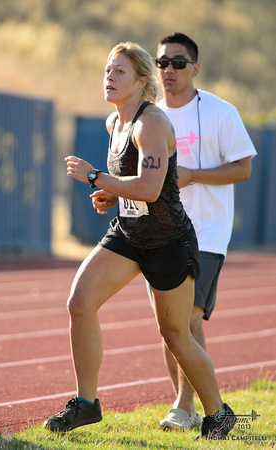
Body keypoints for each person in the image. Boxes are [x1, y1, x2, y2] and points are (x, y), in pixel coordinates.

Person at [43, 41, 236, 440]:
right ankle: (86, 403)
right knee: (79, 303)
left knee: (177, 336)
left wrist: (96, 177)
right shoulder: (114, 124)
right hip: (129, 235)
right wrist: (112, 194)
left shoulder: (152, 123)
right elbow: (134, 188)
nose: (109, 78)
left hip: (168, 241)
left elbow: (150, 189)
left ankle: (218, 414)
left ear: (141, 82)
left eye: (119, 72)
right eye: (107, 70)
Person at [150, 32, 257, 431]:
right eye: (162, 62)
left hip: (207, 234)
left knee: (187, 321)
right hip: (158, 234)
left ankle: (185, 405)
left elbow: (243, 168)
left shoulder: (219, 112)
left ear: (195, 67)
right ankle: (190, 406)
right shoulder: (151, 116)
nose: (169, 70)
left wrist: (194, 175)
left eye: (178, 63)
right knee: (169, 326)